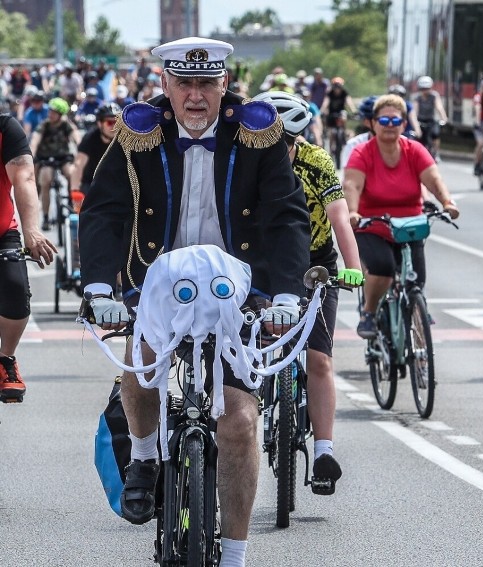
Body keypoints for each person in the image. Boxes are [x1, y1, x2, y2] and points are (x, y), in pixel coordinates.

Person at [78, 37, 310, 567]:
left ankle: (234, 555)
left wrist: (287, 295)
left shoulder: (258, 134)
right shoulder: (139, 134)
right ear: (166, 85)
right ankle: (142, 458)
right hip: (156, 281)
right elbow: (104, 212)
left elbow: (286, 217)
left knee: (239, 423)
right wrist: (99, 287)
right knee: (141, 358)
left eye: (208, 83)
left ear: (224, 84)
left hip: (240, 288)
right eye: (185, 83)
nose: (197, 96)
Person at [255, 90, 363, 489]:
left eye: (285, 143)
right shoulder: (248, 157)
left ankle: (324, 451)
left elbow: (339, 216)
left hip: (314, 263)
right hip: (262, 263)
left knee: (318, 359)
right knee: (242, 353)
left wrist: (353, 268)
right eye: (271, 141)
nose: (278, 150)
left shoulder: (316, 161)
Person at [343, 94, 460, 338]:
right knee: (383, 268)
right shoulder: (362, 152)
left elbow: (433, 179)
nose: (389, 125)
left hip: (410, 224)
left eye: (395, 121)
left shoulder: (414, 150)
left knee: (416, 280)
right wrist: (352, 211)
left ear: (404, 125)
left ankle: (416, 311)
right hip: (372, 224)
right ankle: (369, 313)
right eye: (383, 120)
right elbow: (352, 185)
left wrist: (447, 201)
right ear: (373, 123)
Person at [0, 112, 58, 403]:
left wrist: (32, 232)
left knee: (16, 289)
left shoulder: (5, 127)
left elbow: (23, 177)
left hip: (2, 232)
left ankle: (6, 359)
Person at [29, 97, 80, 230]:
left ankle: (71, 202)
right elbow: (35, 139)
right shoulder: (44, 125)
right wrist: (31, 153)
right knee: (45, 180)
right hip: (46, 159)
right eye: (50, 111)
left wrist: (80, 148)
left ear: (60, 115)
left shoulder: (66, 125)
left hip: (63, 157)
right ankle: (45, 217)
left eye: (54, 112)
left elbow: (76, 135)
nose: (50, 114)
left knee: (71, 173)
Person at [70, 103, 120, 196]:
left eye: (117, 122)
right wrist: (75, 191)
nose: (114, 126)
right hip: (92, 182)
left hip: (117, 182)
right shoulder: (90, 138)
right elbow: (78, 165)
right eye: (110, 122)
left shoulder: (125, 139)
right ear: (99, 123)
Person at [413, 77, 448, 160]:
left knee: (436, 134)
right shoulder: (417, 97)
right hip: (420, 121)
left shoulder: (434, 95)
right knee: (418, 137)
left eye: (427, 88)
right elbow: (415, 110)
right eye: (423, 89)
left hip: (430, 120)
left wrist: (444, 118)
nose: (425, 91)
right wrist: (415, 121)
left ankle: (436, 152)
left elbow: (439, 107)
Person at [341, 95, 378, 168]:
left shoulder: (402, 145)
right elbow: (349, 176)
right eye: (378, 119)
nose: (389, 124)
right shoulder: (353, 145)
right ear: (366, 122)